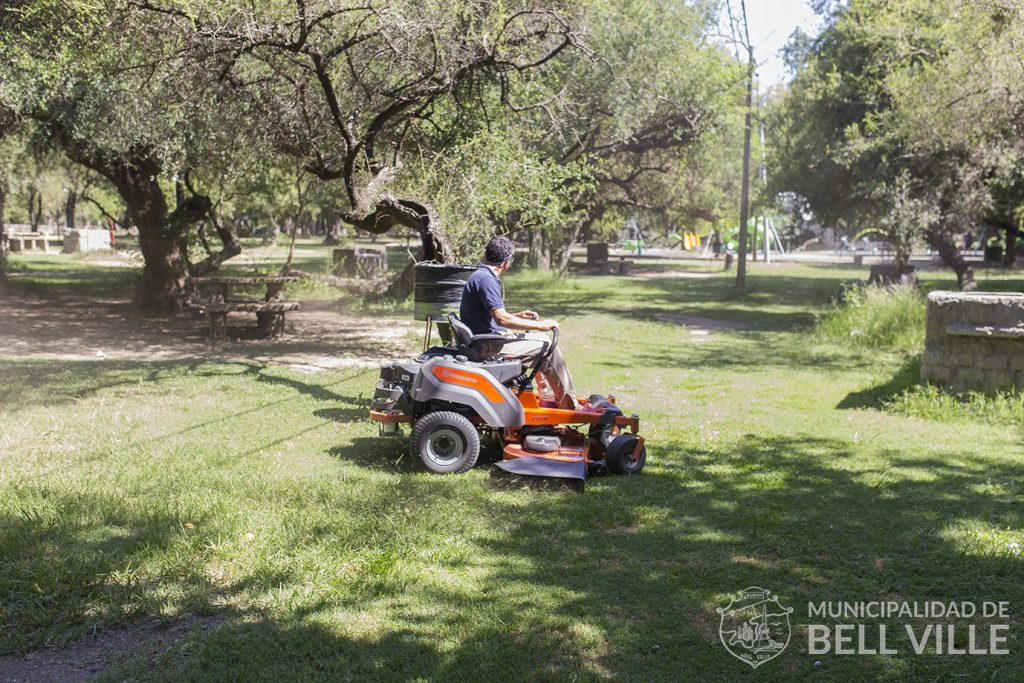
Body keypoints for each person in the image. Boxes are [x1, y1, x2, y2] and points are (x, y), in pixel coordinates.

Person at [459, 235, 578, 409]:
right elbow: (502, 319)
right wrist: (542, 325)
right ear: (505, 262)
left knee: (541, 342)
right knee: (550, 349)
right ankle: (569, 407)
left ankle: (549, 396)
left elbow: (494, 315)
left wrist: (519, 315)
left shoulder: (480, 275)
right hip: (489, 346)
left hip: (483, 340)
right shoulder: (487, 280)